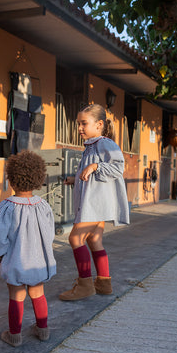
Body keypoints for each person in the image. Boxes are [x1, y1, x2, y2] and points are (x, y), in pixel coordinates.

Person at [59, 103, 130, 301]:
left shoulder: (105, 144)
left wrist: (95, 166)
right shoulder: (91, 145)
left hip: (95, 206)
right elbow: (93, 174)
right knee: (94, 240)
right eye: (78, 124)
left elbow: (118, 168)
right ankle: (104, 283)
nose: (80, 128)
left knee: (75, 239)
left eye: (84, 123)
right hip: (96, 204)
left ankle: (85, 285)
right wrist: (76, 178)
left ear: (99, 125)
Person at [0, 150, 56, 347]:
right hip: (38, 262)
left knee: (16, 295)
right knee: (38, 293)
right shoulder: (43, 205)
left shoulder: (6, 206)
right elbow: (49, 234)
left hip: (16, 261)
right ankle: (43, 330)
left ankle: (14, 335)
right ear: (38, 179)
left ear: (11, 179)